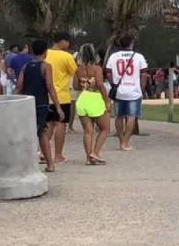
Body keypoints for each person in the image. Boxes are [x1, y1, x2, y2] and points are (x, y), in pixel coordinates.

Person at [16, 40, 64, 173]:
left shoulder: (26, 66)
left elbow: (19, 86)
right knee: (42, 133)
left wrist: (15, 101)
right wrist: (58, 107)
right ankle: (50, 164)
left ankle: (26, 164)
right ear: (45, 52)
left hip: (26, 103)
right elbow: (50, 86)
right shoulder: (46, 66)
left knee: (27, 133)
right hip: (41, 104)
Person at [104, 34, 147, 152]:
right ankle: (125, 142)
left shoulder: (113, 56)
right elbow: (144, 75)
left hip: (119, 91)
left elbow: (108, 73)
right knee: (131, 117)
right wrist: (142, 89)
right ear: (132, 43)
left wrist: (113, 84)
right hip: (134, 91)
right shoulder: (138, 57)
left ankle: (121, 141)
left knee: (119, 116)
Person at [73, 43, 111, 165]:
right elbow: (100, 84)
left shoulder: (78, 70)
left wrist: (85, 83)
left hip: (83, 98)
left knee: (88, 131)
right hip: (95, 98)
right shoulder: (97, 69)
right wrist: (107, 100)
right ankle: (95, 153)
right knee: (105, 128)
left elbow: (76, 86)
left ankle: (88, 157)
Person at [44, 32, 77, 163]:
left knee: (48, 125)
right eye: (67, 42)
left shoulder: (45, 53)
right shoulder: (66, 56)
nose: (68, 44)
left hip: (46, 94)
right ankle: (58, 155)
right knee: (61, 124)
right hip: (62, 96)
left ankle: (44, 153)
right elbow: (75, 72)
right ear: (62, 41)